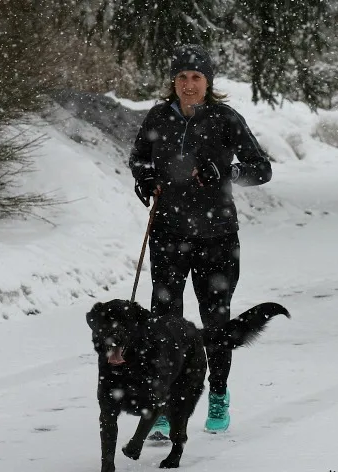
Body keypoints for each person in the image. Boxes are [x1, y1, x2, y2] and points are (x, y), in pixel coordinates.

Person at [128, 44, 272, 437]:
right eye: (182, 77)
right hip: (168, 235)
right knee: (164, 324)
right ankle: (162, 406)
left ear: (208, 82)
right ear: (172, 81)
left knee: (216, 321)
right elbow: (139, 157)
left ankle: (218, 394)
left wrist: (226, 173)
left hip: (217, 238)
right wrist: (145, 180)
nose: (188, 85)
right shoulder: (158, 117)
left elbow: (261, 170)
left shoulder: (225, 119)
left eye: (196, 78)